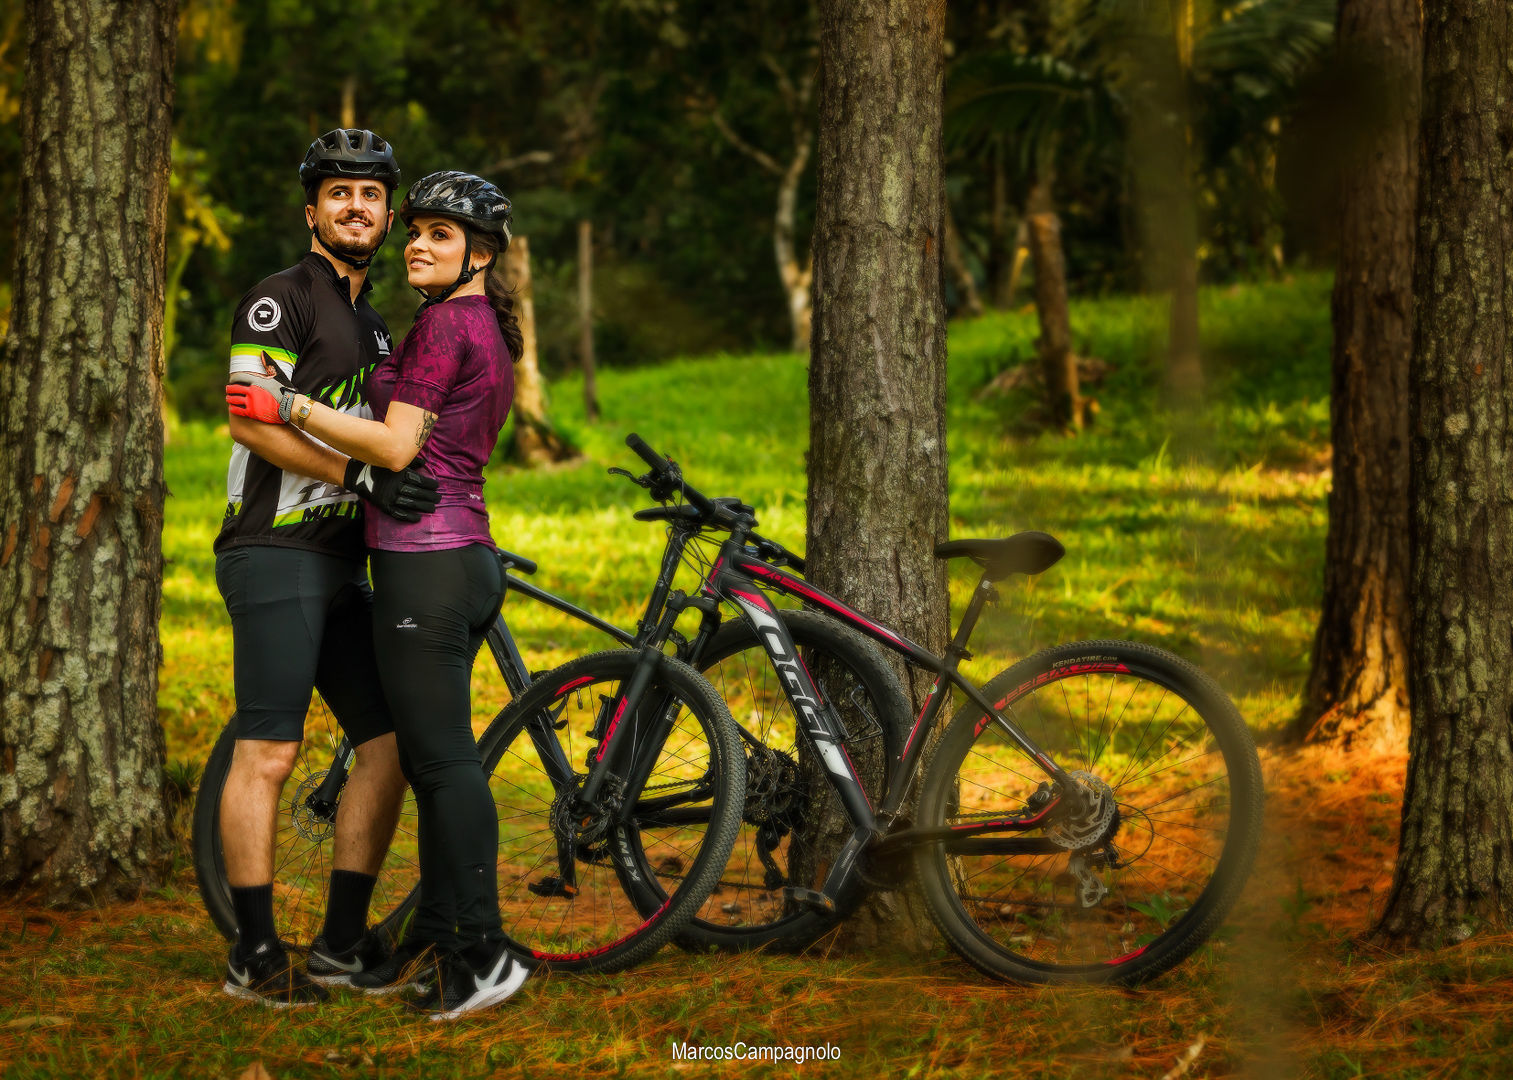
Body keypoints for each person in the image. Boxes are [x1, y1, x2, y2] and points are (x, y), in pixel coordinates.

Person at [227, 170, 529, 1021]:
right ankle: (430, 940)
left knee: (441, 762)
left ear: (480, 255)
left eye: (440, 235)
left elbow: (395, 449)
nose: (418, 246)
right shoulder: (459, 323)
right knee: (417, 755)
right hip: (440, 555)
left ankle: (481, 952)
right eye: (418, 232)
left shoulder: (442, 324)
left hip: (427, 560)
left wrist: (289, 403)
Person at [215, 128, 440, 1007]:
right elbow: (249, 417)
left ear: (387, 215)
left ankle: (341, 944)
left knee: (387, 747)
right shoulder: (280, 299)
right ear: (311, 212)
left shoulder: (378, 324)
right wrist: (358, 479)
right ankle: (253, 954)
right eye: (338, 192)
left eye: (371, 194)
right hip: (274, 550)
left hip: (346, 561)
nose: (356, 206)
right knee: (270, 752)